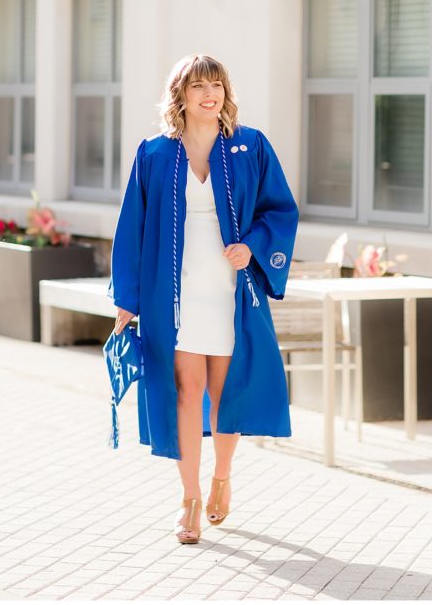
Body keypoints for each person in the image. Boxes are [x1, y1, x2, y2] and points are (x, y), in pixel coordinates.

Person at [108, 54, 298, 544]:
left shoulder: (250, 146)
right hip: (172, 297)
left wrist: (252, 246)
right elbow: (131, 228)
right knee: (185, 394)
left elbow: (279, 211)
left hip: (230, 292)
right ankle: (189, 498)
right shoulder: (154, 154)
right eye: (198, 87)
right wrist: (127, 300)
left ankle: (222, 477)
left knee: (226, 394)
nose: (209, 94)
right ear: (181, 96)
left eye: (216, 85)